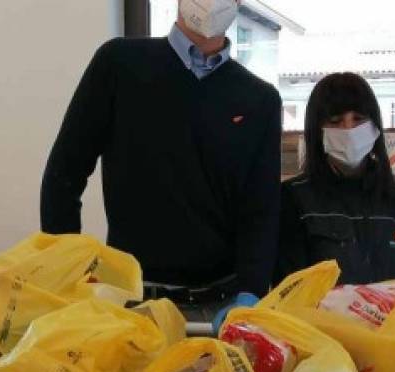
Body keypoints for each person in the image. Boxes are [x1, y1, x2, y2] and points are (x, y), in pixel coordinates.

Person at [40, 0, 282, 322]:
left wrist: (252, 292)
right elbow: (64, 174)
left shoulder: (259, 99)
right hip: (132, 305)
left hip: (219, 308)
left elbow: (260, 211)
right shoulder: (119, 64)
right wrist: (67, 270)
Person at [276, 72, 395, 284]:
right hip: (317, 318)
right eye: (335, 121)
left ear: (375, 126)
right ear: (317, 131)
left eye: (359, 119)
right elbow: (289, 288)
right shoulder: (293, 199)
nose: (349, 130)